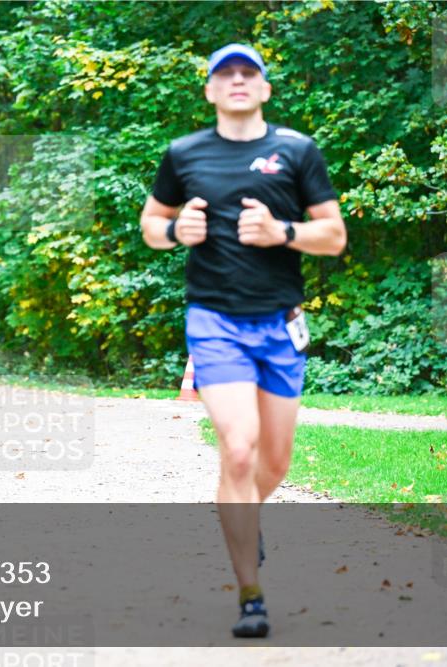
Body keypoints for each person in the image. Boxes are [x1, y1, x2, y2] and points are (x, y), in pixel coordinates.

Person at [139, 43, 347, 638]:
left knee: (273, 462)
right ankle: (250, 594)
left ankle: (245, 518)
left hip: (280, 323)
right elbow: (152, 224)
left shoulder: (296, 151)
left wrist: (282, 231)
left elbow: (333, 236)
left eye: (246, 73)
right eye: (223, 73)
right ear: (209, 90)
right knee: (238, 448)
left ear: (263, 89)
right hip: (214, 320)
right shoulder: (184, 154)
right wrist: (177, 229)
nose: (235, 80)